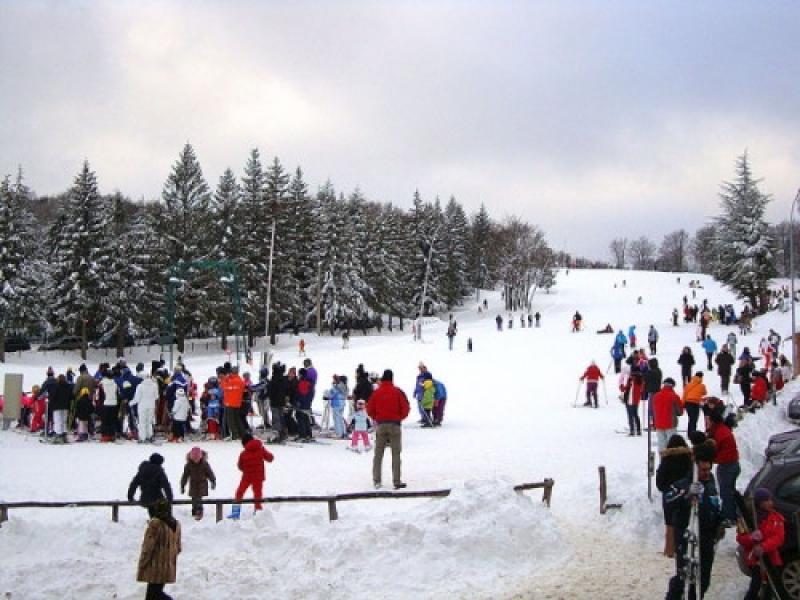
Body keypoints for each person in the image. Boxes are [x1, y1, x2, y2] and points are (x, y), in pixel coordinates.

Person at [664, 453, 723, 600]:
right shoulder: (682, 484)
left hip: (707, 538)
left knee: (703, 580)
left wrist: (721, 521)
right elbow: (668, 500)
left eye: (709, 469)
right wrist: (686, 494)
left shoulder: (711, 484)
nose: (707, 473)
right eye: (703, 470)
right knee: (684, 577)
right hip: (687, 537)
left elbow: (714, 506)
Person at [737, 488, 785, 600]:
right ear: (759, 503)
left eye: (770, 500)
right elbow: (740, 538)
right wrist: (751, 538)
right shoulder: (747, 519)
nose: (770, 503)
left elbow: (779, 538)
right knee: (756, 585)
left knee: (771, 587)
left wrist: (764, 546)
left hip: (772, 559)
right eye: (766, 500)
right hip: (756, 560)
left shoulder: (776, 518)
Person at [367, 369, 410, 490]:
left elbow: (369, 408)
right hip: (395, 425)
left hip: (381, 425)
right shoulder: (397, 392)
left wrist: (377, 418)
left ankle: (377, 480)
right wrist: (399, 418)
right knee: (396, 454)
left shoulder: (376, 392)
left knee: (378, 454)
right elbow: (406, 408)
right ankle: (396, 480)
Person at [136, 498, 181, 600]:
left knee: (152, 596)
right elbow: (178, 547)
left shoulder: (155, 524)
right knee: (156, 593)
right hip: (167, 567)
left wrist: (143, 563)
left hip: (155, 567)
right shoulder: (176, 524)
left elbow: (148, 547)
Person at [656, 434, 692, 558]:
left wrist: (666, 489)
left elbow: (660, 481)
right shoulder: (689, 459)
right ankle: (682, 548)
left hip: (669, 496)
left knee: (670, 523)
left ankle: (669, 549)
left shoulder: (666, 460)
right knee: (683, 523)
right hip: (684, 495)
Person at [705, 403, 740, 527]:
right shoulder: (722, 429)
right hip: (732, 464)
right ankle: (733, 513)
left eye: (708, 420)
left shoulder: (719, 433)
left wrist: (711, 458)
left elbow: (714, 450)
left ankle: (729, 517)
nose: (706, 422)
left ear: (713, 421)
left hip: (727, 466)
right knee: (729, 491)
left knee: (726, 492)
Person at [229, 432, 275, 519]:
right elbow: (270, 458)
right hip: (258, 477)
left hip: (247, 477)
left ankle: (235, 513)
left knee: (239, 493)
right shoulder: (260, 449)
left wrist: (246, 470)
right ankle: (258, 513)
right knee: (257, 496)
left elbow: (240, 466)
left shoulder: (243, 453)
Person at [180, 446, 216, 521]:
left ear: (200, 457)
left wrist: (213, 481)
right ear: (191, 458)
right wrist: (182, 485)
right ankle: (194, 510)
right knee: (193, 497)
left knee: (199, 498)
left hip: (202, 483)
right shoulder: (188, 465)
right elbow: (185, 476)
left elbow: (210, 473)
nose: (196, 460)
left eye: (197, 459)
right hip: (193, 483)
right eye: (194, 459)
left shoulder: (205, 464)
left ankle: (199, 511)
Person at [652, 378, 683, 452]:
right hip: (670, 423)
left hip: (658, 423)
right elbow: (680, 412)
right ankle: (671, 460)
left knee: (661, 443)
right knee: (672, 444)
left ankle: (662, 460)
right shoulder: (674, 396)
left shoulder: (656, 395)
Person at [221, 365, 246, 440]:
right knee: (237, 419)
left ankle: (235, 435)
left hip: (229, 403)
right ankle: (242, 433)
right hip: (237, 403)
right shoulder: (240, 381)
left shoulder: (229, 381)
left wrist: (225, 379)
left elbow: (223, 387)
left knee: (231, 421)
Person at [682, 372, 707, 437]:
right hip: (695, 404)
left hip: (687, 403)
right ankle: (692, 434)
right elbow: (704, 393)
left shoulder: (688, 385)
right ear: (701, 377)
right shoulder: (702, 385)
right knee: (694, 420)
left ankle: (689, 433)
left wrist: (683, 404)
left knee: (691, 419)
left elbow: (684, 395)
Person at [620, 370, 643, 435]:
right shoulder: (640, 381)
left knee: (630, 415)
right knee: (635, 415)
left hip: (629, 400)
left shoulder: (631, 380)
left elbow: (626, 389)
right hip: (636, 400)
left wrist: (622, 387)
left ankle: (632, 430)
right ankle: (638, 430)